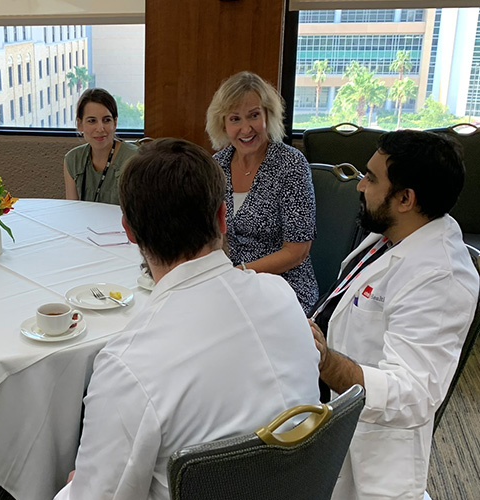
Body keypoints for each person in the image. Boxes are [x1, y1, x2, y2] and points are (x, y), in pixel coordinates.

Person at [54, 138, 320, 500]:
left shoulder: (128, 367)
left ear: (128, 230)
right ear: (223, 218)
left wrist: (74, 487)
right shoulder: (282, 296)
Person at [309, 130, 479, 500]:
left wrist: (325, 361)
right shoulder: (394, 232)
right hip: (325, 404)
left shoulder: (440, 279)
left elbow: (414, 394)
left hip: (368, 449)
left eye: (371, 178)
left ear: (405, 198)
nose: (359, 187)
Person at [206, 71, 318, 311]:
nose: (246, 128)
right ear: (223, 124)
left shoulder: (290, 164)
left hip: (284, 287)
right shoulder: (217, 165)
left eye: (254, 116)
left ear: (269, 115)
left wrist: (241, 273)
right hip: (232, 282)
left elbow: (297, 251)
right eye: (235, 119)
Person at [63, 88, 138, 205]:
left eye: (106, 120)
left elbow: (139, 216)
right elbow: (72, 211)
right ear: (79, 124)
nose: (100, 128)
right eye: (92, 121)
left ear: (115, 123)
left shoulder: (133, 159)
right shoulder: (73, 160)